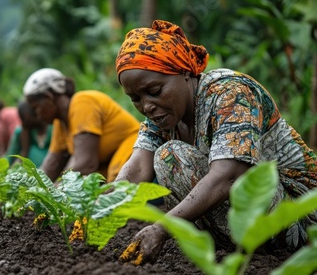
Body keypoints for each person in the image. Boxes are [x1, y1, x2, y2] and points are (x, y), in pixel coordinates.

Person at [114, 20, 317, 265]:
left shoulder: (231, 93)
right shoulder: (163, 116)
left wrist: (162, 227)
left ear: (185, 73)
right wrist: (102, 205)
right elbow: (138, 165)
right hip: (251, 223)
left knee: (170, 156)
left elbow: (228, 176)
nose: (146, 106)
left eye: (155, 91)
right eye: (135, 98)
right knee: (166, 157)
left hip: (301, 216)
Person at [22, 68, 140, 182]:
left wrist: (56, 190)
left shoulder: (82, 102)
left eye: (35, 108)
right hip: (109, 161)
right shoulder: (60, 123)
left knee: (115, 185)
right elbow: (50, 167)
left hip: (134, 148)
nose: (37, 115)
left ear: (48, 97)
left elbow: (86, 165)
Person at [6, 100, 52, 167]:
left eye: (29, 120)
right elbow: (21, 153)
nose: (25, 123)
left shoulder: (52, 127)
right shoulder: (26, 131)